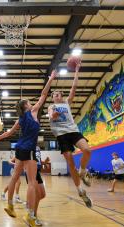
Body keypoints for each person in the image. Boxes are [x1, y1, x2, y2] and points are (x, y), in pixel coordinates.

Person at [0, 70, 57, 227]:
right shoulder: (33, 112)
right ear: (26, 106)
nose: (31, 103)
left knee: (15, 177)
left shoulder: (20, 119)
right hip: (29, 149)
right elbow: (43, 95)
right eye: (29, 103)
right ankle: (29, 214)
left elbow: (9, 133)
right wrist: (50, 79)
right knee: (32, 183)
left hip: (19, 148)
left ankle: (10, 205)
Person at [48, 60, 92, 207]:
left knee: (87, 150)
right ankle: (80, 190)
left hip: (73, 131)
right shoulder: (51, 106)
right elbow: (50, 116)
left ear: (61, 96)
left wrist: (77, 70)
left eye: (58, 94)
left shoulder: (66, 103)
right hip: (61, 135)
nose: (56, 96)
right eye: (54, 94)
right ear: (52, 98)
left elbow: (74, 87)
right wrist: (53, 116)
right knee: (71, 164)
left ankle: (83, 171)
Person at [24, 146, 46, 227]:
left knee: (42, 194)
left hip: (38, 172)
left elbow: (38, 160)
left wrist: (45, 162)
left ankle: (30, 205)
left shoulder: (38, 147)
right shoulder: (27, 145)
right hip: (31, 170)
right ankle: (33, 216)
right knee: (37, 194)